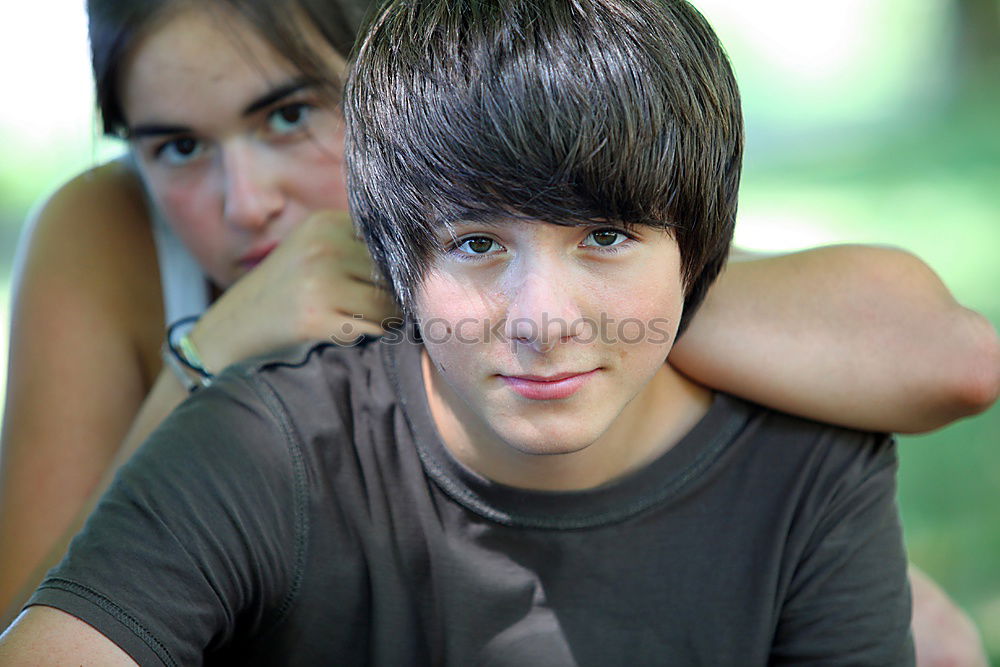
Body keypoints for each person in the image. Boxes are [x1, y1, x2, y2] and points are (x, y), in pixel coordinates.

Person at [0, 0, 995, 662]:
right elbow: (34, 615)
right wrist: (209, 354)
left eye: (292, 114)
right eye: (173, 146)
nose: (243, 199)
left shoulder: (541, 245)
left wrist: (489, 287)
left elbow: (947, 360)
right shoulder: (114, 244)